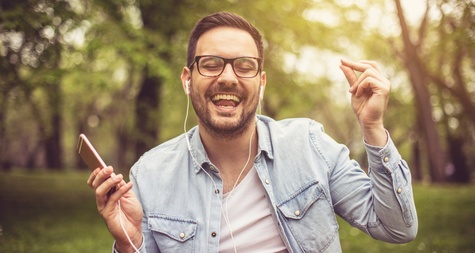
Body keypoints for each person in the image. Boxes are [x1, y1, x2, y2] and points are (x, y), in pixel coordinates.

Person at [87, 11, 418, 253]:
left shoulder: (309, 145)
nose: (228, 77)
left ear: (260, 81)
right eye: (212, 63)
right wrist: (128, 244)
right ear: (188, 80)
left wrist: (372, 128)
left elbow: (397, 227)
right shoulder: (150, 174)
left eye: (244, 65)